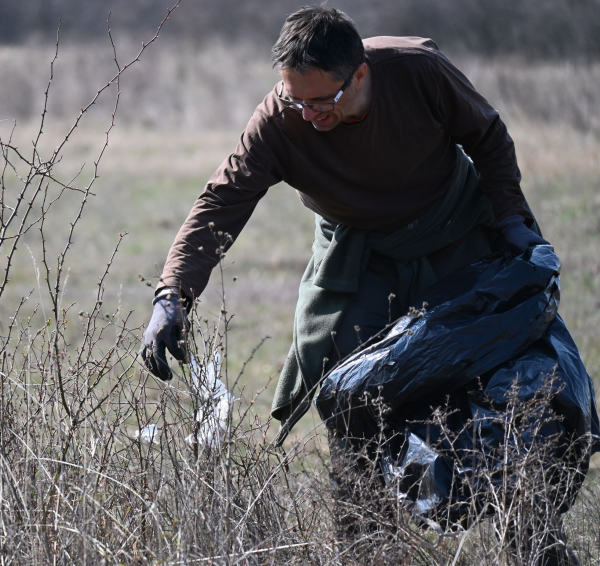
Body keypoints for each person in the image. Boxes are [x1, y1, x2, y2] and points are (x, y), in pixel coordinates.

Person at [141, 5, 574, 563]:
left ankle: (536, 541)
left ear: (361, 74)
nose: (308, 113)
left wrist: (512, 221)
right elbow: (222, 201)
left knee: (507, 387)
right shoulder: (281, 117)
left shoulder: (417, 70)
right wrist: (171, 296)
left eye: (322, 101)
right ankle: (368, 546)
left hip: (458, 238)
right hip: (361, 255)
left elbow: (487, 136)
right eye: (296, 98)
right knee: (349, 393)